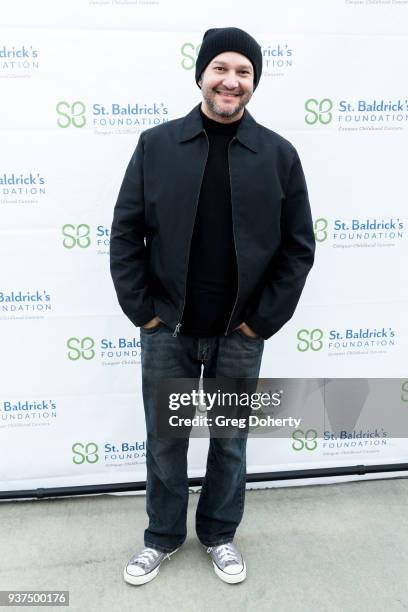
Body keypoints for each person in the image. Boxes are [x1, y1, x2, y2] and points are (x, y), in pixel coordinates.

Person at [110, 26, 315, 586]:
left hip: (238, 334)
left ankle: (220, 534)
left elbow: (298, 248)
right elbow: (126, 233)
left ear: (254, 82)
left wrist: (259, 323)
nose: (231, 80)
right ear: (201, 73)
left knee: (230, 444)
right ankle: (162, 537)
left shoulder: (278, 154)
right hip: (168, 330)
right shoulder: (156, 145)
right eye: (221, 68)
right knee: (165, 442)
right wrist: (144, 313)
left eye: (244, 72)